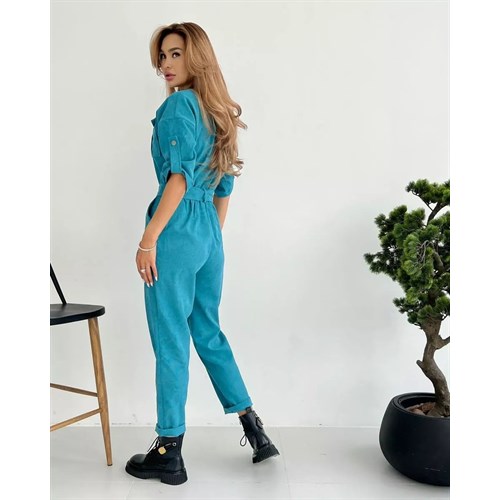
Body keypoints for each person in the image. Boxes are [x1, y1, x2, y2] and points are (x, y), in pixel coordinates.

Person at [125, 22, 280, 486]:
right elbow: (223, 188)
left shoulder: (178, 107)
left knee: (170, 338)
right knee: (208, 331)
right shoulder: (218, 111)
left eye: (175, 54)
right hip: (209, 233)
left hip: (176, 231)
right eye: (162, 56)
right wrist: (208, 238)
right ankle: (254, 427)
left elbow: (178, 179)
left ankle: (168, 449)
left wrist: (149, 240)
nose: (165, 65)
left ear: (197, 56)